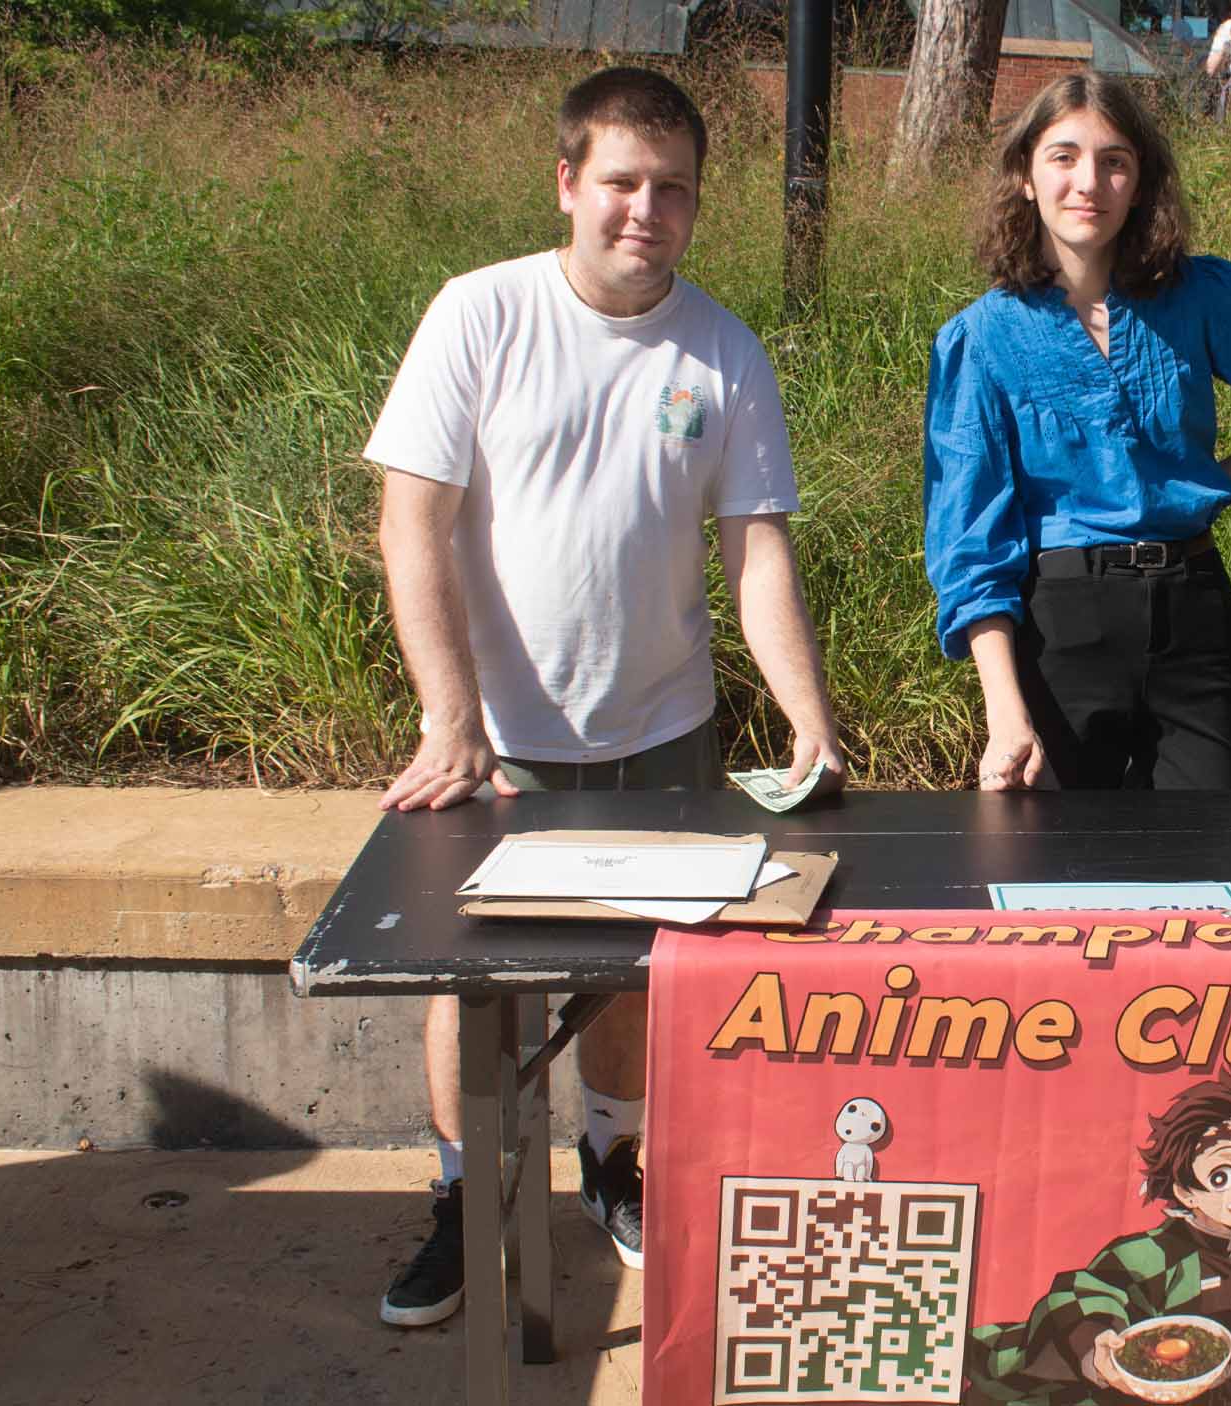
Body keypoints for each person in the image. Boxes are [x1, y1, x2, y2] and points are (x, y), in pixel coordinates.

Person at [362, 65, 847, 1328]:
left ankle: (613, 1162)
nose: (647, 210)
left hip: (663, 732)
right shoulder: (479, 314)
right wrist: (449, 717)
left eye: (673, 189)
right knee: (472, 991)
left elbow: (755, 551)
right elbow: (413, 520)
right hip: (496, 745)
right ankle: (468, 1195)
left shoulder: (723, 348)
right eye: (622, 182)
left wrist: (806, 709)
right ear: (569, 182)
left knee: (639, 975)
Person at [922, 73, 1231, 793]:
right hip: (1060, 630)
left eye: (1114, 160)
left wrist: (1220, 482)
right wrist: (1005, 710)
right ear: (1026, 176)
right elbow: (970, 543)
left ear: (1140, 182)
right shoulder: (982, 338)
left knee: (1206, 867)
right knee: (1052, 879)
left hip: (1194, 617)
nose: (1087, 181)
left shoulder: (1202, 297)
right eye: (1063, 156)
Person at [965, 1077, 1231, 1406]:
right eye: (1222, 1176)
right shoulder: (1154, 1254)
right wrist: (1100, 1347)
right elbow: (1081, 1294)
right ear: (1184, 1190)